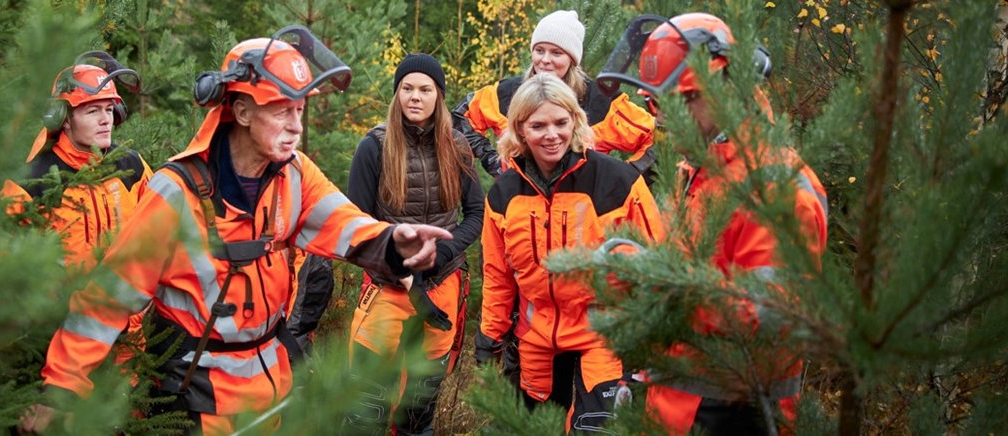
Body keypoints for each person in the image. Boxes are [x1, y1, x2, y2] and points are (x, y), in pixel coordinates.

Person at [18, 26, 453, 435]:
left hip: (273, 395)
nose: (296, 126)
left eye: (299, 110)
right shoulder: (177, 193)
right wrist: (60, 389)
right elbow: (106, 300)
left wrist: (393, 242)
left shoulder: (293, 175)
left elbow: (345, 223)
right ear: (241, 110)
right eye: (281, 109)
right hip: (193, 402)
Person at [595, 12, 829, 434]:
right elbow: (695, 270)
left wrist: (659, 287)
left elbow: (773, 315)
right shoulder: (701, 169)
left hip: (735, 415)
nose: (666, 119)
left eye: (683, 101)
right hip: (676, 406)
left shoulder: (775, 187)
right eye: (657, 104)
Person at [474, 73, 664, 433]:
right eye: (538, 125)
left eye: (561, 122)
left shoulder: (617, 182)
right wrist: (490, 340)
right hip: (537, 343)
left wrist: (653, 341)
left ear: (577, 121)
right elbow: (498, 276)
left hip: (603, 336)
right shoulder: (503, 195)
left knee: (594, 429)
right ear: (519, 129)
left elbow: (656, 265)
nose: (552, 135)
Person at [341, 53, 484, 435]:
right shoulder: (373, 147)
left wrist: (445, 255)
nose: (415, 97)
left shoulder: (457, 146)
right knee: (366, 408)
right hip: (387, 289)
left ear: (439, 95)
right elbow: (355, 226)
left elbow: (475, 214)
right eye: (407, 88)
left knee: (419, 409)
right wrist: (401, 268)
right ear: (397, 94)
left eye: (425, 89)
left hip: (443, 286)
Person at [0, 51, 151, 366]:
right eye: (92, 110)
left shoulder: (132, 166)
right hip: (60, 341)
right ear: (64, 119)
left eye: (109, 109)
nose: (105, 119)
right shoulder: (31, 183)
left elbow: (162, 234)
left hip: (132, 337)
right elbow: (4, 266)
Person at [453, 9, 657, 181]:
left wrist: (625, 178)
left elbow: (657, 138)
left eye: (556, 53)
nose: (545, 60)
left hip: (582, 212)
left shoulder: (601, 101)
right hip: (519, 210)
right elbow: (460, 120)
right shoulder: (507, 93)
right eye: (539, 50)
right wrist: (493, 161)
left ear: (572, 59)